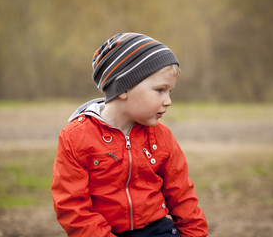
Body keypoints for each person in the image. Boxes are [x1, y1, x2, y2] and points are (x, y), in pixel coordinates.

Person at [51, 33, 208, 237]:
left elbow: (182, 195)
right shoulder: (76, 138)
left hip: (156, 230)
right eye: (160, 90)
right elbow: (72, 207)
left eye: (170, 92)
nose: (168, 101)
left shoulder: (161, 137)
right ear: (123, 87)